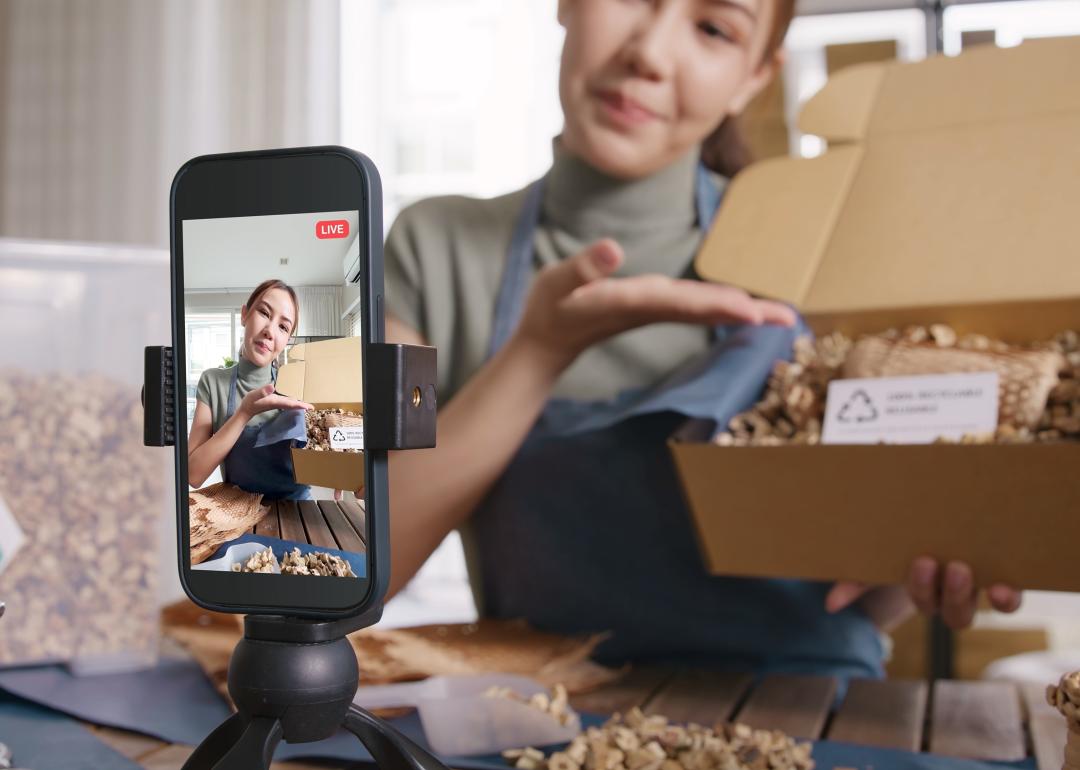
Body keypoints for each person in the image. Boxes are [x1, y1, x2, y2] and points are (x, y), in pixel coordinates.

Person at [381, 0, 1022, 676]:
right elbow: (356, 566)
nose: (650, 55)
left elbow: (865, 585)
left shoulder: (830, 255)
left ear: (754, 76)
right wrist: (536, 355)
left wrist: (938, 554)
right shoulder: (431, 249)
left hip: (809, 718)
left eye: (714, 28)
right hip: (534, 721)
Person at [188, 279, 314, 500]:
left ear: (287, 340)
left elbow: (327, 453)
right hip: (237, 511)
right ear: (245, 314)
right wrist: (244, 413)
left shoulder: (298, 385)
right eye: (264, 313)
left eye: (283, 327)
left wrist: (348, 475)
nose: (270, 331)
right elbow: (193, 474)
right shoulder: (213, 382)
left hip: (297, 512)